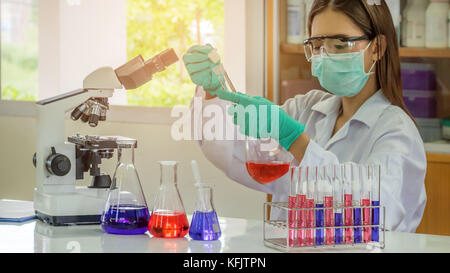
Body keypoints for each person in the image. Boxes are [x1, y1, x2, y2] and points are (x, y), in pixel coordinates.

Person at [183, 0, 426, 232]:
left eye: (340, 45)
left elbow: (375, 212)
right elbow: (233, 153)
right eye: (319, 46)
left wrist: (297, 141)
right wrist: (213, 94)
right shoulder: (307, 108)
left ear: (377, 48)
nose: (326, 55)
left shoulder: (397, 132)